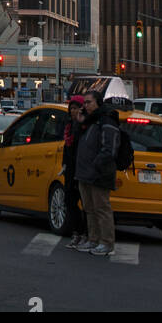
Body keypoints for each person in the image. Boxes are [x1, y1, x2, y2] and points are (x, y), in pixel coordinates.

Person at [74, 90, 120, 257]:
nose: (85, 106)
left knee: (101, 208)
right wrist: (79, 122)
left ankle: (106, 242)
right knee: (89, 208)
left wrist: (97, 165)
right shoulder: (89, 121)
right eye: (84, 103)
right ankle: (93, 239)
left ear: (98, 103)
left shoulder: (106, 120)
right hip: (85, 172)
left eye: (88, 102)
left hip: (99, 173)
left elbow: (110, 147)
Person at [62, 96, 87, 248]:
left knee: (86, 204)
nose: (73, 111)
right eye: (71, 108)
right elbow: (67, 148)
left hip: (82, 169)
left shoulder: (84, 126)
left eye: (76, 108)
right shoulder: (69, 126)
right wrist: (64, 165)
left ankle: (85, 233)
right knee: (69, 201)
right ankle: (77, 232)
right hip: (70, 169)